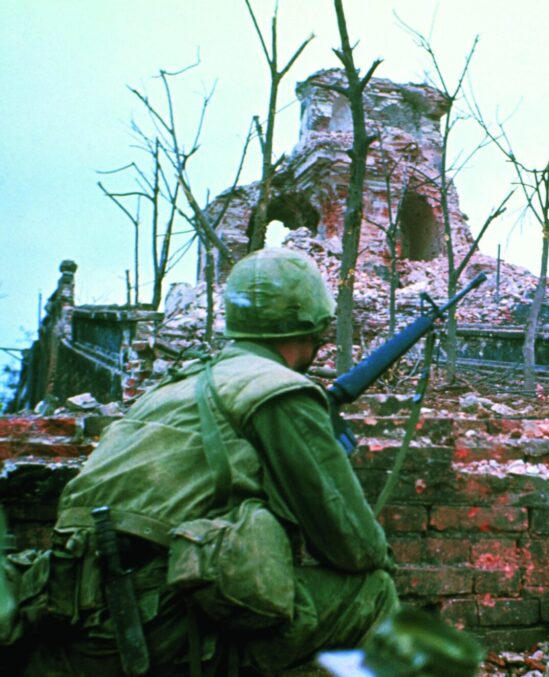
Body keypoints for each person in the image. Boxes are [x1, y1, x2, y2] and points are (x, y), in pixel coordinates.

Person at [12, 248, 398, 675]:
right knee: (372, 592)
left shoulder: (175, 385)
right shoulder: (276, 390)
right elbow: (355, 548)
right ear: (315, 324)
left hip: (73, 618)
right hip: (148, 629)